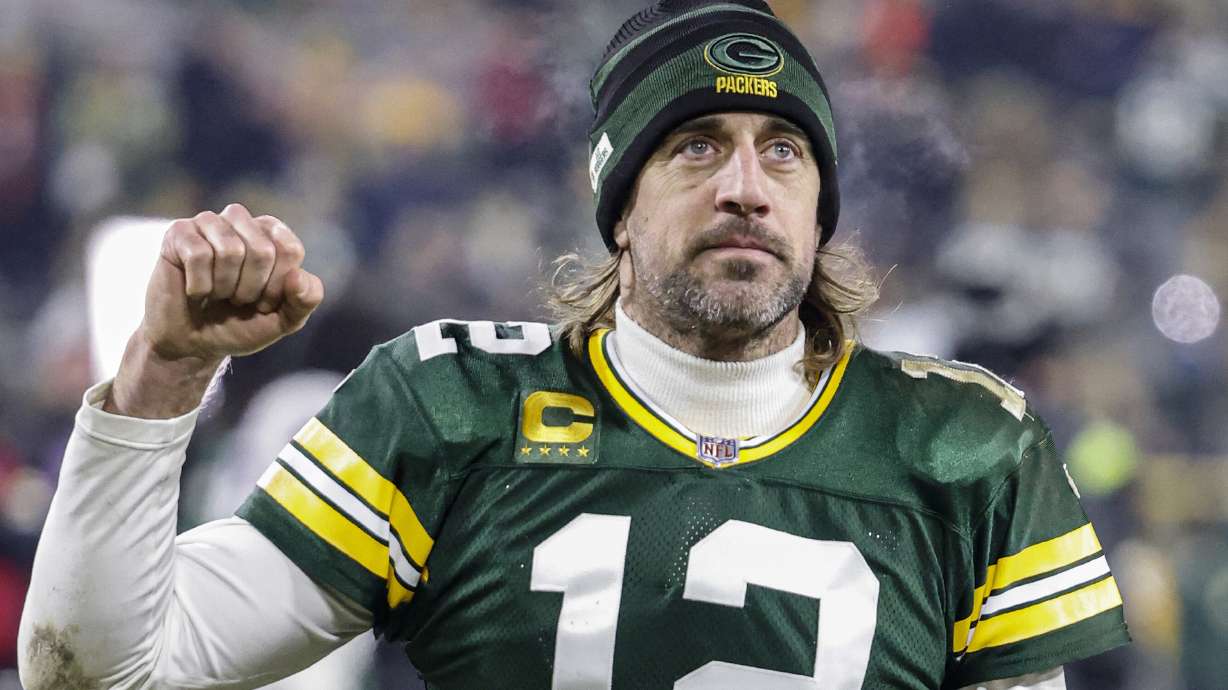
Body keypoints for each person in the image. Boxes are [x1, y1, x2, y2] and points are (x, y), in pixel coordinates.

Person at [19, 1, 1129, 688]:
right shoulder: (448, 408)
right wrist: (162, 376)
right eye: (696, 146)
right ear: (619, 205)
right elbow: (102, 672)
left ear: (820, 205)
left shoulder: (966, 446)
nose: (747, 186)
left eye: (784, 151)